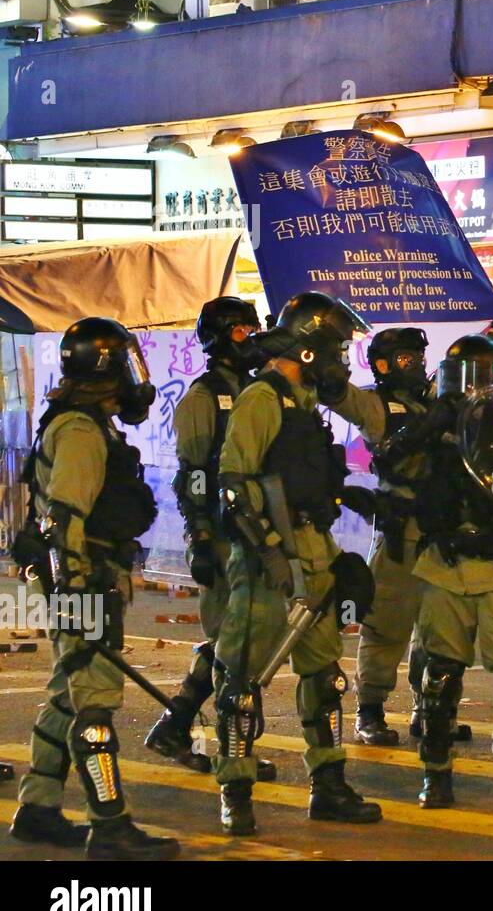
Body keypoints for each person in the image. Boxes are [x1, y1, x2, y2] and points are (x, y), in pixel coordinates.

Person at [213, 292, 383, 835]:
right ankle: (235, 792)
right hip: (269, 559)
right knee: (242, 679)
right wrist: (269, 552)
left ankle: (328, 784)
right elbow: (235, 486)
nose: (340, 355)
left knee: (324, 675)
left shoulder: (304, 403)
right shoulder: (262, 399)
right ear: (310, 349)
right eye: (335, 345)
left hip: (313, 549)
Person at [9, 318, 180, 858]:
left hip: (85, 578)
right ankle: (109, 825)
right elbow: (65, 521)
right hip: (84, 580)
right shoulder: (81, 430)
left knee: (68, 692)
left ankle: (37, 808)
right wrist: (81, 596)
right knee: (96, 704)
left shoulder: (86, 422)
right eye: (127, 363)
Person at [402, 333, 493, 809]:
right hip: (445, 563)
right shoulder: (428, 429)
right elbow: (393, 464)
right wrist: (431, 430)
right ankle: (437, 773)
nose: (470, 389)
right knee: (440, 675)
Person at [145, 297, 276, 782]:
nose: (252, 337)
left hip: (256, 533)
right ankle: (227, 747)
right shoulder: (205, 396)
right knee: (232, 641)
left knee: (238, 637)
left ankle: (176, 726)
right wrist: (200, 535)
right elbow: (193, 474)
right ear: (221, 337)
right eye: (242, 331)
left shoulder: (259, 389)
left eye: (253, 328)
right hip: (222, 534)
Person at [323, 326, 444, 746]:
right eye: (407, 358)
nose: (417, 364)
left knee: (438, 627)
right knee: (387, 623)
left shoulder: (434, 400)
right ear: (383, 364)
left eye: (419, 357)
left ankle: (430, 707)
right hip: (401, 529)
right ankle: (370, 711)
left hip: (440, 530)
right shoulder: (377, 405)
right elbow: (338, 395)